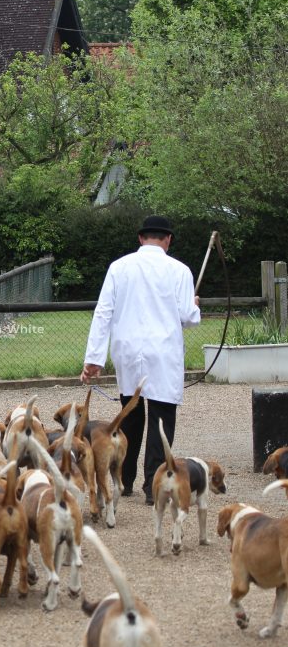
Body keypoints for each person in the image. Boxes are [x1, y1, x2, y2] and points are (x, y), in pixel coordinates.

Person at [80, 214, 201, 505]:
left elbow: (103, 312)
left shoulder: (119, 267)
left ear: (140, 238)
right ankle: (153, 487)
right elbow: (187, 316)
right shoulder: (180, 270)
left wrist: (94, 358)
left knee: (130, 416)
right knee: (161, 419)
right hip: (163, 351)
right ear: (168, 239)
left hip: (128, 350)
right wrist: (195, 307)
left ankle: (123, 479)